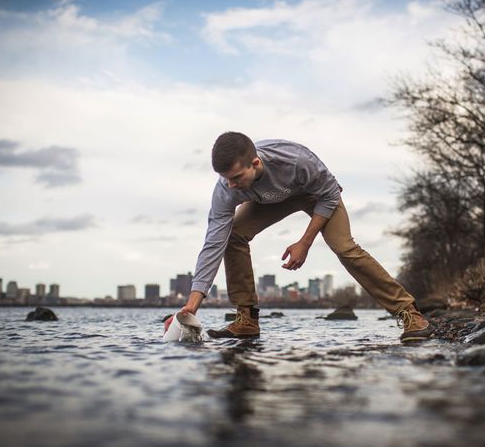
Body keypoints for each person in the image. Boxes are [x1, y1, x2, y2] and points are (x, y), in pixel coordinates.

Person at [176, 131, 432, 343]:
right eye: (225, 179)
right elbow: (213, 243)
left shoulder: (296, 160)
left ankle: (409, 312)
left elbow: (330, 194)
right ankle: (246, 319)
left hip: (317, 195)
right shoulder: (226, 189)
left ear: (254, 164)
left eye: (235, 178)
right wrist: (192, 305)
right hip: (267, 200)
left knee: (345, 248)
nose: (230, 185)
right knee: (232, 235)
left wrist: (305, 242)